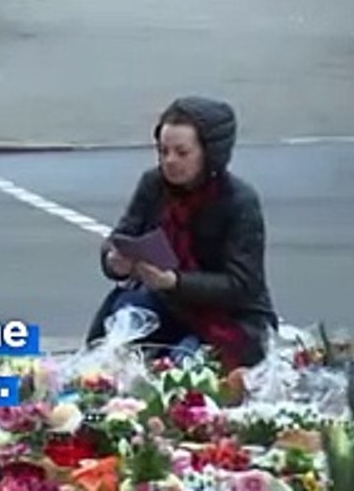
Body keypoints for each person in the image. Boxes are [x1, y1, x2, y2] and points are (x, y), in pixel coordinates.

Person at [85, 96, 278, 371]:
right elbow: (121, 237)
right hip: (166, 304)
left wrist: (175, 282)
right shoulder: (153, 184)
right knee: (117, 342)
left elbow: (243, 285)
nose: (170, 161)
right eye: (163, 151)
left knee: (186, 368)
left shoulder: (239, 201)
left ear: (209, 152)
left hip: (230, 317)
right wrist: (115, 262)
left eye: (181, 152)